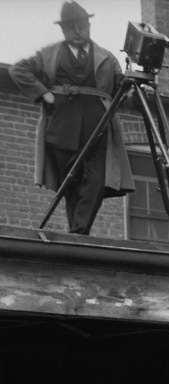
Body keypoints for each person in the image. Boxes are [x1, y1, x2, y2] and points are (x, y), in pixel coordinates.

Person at [9, 2, 134, 235]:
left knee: (96, 179)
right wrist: (43, 93)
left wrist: (136, 93)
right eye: (70, 28)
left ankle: (78, 233)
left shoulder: (107, 58)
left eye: (81, 26)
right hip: (61, 127)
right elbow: (18, 70)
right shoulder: (48, 55)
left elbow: (122, 91)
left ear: (88, 26)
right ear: (63, 31)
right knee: (71, 182)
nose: (77, 32)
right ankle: (77, 236)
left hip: (99, 125)